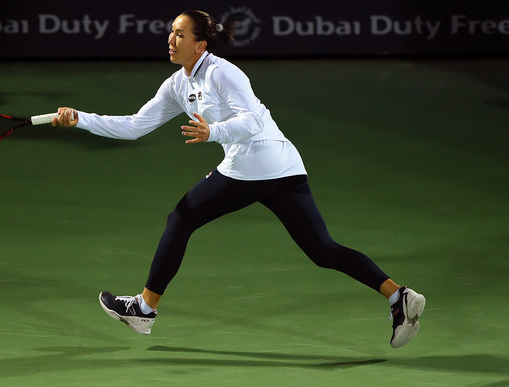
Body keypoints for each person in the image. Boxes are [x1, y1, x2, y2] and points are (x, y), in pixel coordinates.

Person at [52, 10, 425, 348]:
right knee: (322, 249)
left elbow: (253, 121)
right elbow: (135, 126)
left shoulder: (222, 72)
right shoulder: (176, 85)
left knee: (181, 218)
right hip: (283, 166)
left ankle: (144, 308)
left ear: (200, 45)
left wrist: (212, 132)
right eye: (171, 32)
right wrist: (80, 118)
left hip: (255, 161)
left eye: (180, 35)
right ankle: (398, 296)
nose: (171, 39)